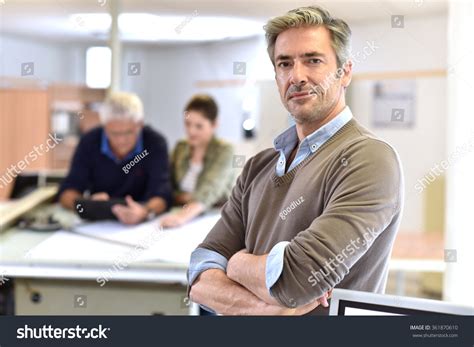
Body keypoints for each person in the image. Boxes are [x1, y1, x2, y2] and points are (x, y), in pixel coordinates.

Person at [188, 6, 404, 315]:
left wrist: (235, 263)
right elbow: (199, 271)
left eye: (313, 60)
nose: (297, 76)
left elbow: (298, 279)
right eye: (284, 63)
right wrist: (268, 312)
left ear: (345, 72)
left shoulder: (370, 159)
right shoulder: (258, 167)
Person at [58, 91, 172, 225]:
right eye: (114, 133)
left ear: (140, 124)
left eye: (129, 132)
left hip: (140, 225)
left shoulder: (155, 143)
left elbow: (162, 195)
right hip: (97, 225)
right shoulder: (89, 142)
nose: (122, 140)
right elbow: (67, 192)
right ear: (104, 127)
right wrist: (86, 205)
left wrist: (145, 211)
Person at [160, 95, 234, 228]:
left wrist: (181, 217)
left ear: (214, 124)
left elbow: (209, 189)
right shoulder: (180, 146)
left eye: (199, 126)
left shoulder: (225, 150)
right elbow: (166, 182)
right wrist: (180, 199)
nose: (191, 131)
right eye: (187, 124)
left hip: (212, 217)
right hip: (179, 211)